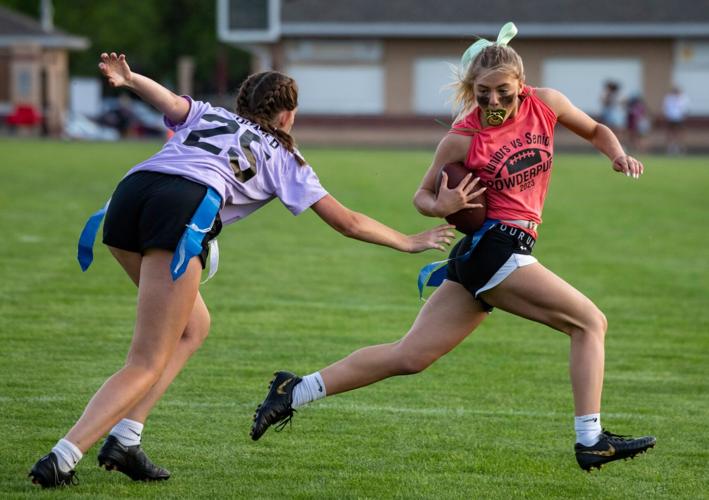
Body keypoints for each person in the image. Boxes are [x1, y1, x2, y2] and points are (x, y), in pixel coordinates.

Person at [27, 52, 455, 489]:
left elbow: (170, 102)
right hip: (180, 210)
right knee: (146, 359)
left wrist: (132, 77)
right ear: (288, 115)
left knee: (193, 327)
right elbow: (346, 221)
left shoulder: (211, 115)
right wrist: (408, 240)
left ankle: (126, 438)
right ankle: (63, 456)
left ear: (242, 103)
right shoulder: (286, 155)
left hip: (127, 198)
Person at [250, 22, 656, 472]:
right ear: (471, 89)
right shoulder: (463, 136)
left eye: (503, 91)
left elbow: (597, 129)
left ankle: (294, 391)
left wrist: (617, 154)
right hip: (497, 247)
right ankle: (591, 439)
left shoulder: (547, 104)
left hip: (490, 253)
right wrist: (441, 204)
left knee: (410, 355)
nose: (494, 102)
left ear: (521, 84)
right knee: (589, 323)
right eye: (483, 93)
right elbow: (421, 197)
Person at [662, 86, 689, 154]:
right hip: (671, 118)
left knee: (680, 134)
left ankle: (681, 147)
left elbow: (685, 109)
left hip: (679, 118)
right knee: (670, 134)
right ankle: (670, 148)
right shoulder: (669, 98)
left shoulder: (683, 98)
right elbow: (665, 107)